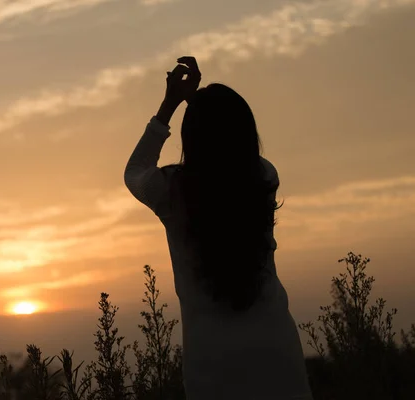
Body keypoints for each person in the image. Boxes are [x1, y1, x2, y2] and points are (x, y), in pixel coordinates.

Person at [124, 56, 313, 400]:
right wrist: (206, 106)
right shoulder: (262, 179)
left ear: (190, 136)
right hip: (277, 354)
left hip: (212, 366)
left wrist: (173, 103)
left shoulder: (171, 190)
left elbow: (135, 169)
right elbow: (230, 153)